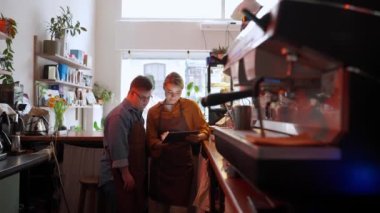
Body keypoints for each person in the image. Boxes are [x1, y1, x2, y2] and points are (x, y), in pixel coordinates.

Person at [146, 72, 210, 212]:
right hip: (161, 168)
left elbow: (205, 129)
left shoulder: (191, 107)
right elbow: (150, 139)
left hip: (182, 169)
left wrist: (198, 137)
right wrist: (160, 143)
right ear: (163, 88)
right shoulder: (153, 112)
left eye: (178, 92)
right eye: (170, 92)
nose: (173, 96)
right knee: (160, 208)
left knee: (179, 209)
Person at [98, 75, 153, 213]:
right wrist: (125, 174)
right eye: (143, 98)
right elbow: (118, 147)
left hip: (132, 174)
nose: (146, 102)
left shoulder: (136, 114)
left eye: (148, 98)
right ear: (132, 93)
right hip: (116, 178)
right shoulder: (120, 115)